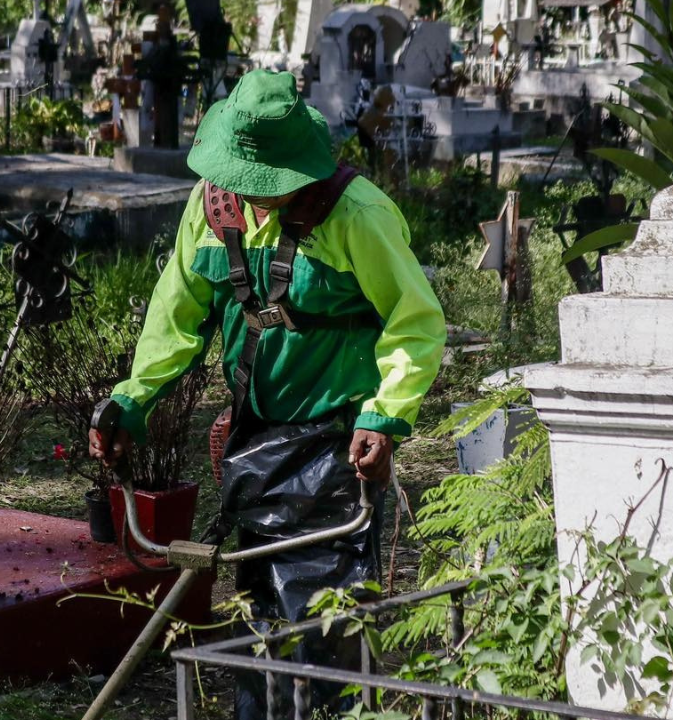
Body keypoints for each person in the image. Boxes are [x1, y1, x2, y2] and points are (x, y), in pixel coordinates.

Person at [89, 70, 446, 719]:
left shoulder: (357, 216)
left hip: (338, 444)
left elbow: (414, 320)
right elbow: (177, 311)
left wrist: (386, 415)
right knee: (257, 622)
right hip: (255, 439)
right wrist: (133, 399)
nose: (254, 198)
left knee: (325, 634)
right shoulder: (211, 207)